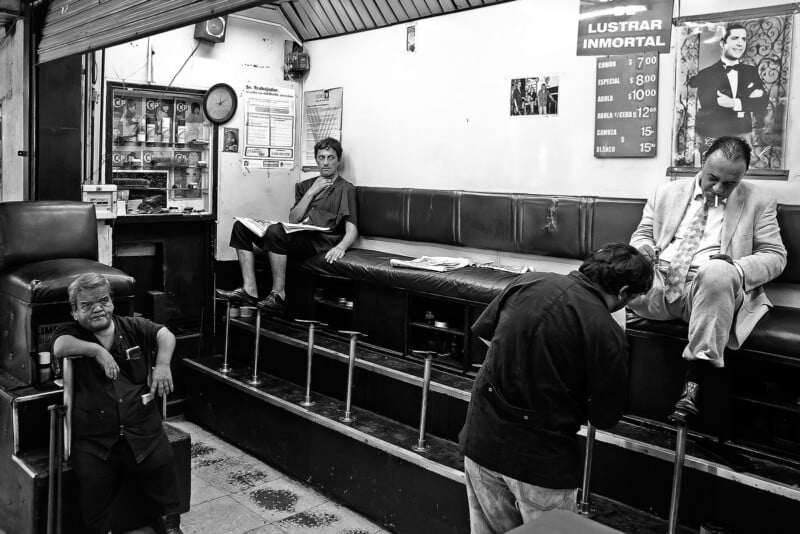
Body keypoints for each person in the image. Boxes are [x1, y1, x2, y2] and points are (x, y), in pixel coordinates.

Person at [459, 244, 654, 533]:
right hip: (540, 466)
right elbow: (605, 416)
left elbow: (488, 338)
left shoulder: (527, 282)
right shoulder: (607, 332)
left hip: (481, 443)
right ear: (624, 292)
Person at [629, 136, 785, 421]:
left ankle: (693, 384)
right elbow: (642, 235)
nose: (718, 188)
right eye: (713, 178)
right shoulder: (665, 193)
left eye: (730, 184)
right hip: (659, 283)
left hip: (709, 290)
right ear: (702, 162)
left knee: (717, 272)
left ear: (742, 177)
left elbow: (775, 255)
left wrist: (736, 269)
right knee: (604, 264)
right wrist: (646, 251)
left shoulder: (759, 201)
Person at [51, 273, 183, 534]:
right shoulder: (71, 333)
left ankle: (171, 523)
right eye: (87, 305)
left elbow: (165, 335)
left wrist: (163, 365)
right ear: (75, 312)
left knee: (163, 467)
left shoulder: (132, 326)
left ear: (112, 303)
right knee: (93, 492)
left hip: (142, 428)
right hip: (95, 439)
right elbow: (59, 346)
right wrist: (97, 351)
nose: (98, 308)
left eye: (103, 300)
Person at [216, 137, 358, 314]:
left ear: (338, 160)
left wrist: (341, 247)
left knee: (276, 232)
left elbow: (352, 229)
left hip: (320, 241)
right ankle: (249, 290)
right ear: (316, 160)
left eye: (331, 157)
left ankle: (278, 295)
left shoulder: (346, 189)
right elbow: (294, 219)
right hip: (299, 236)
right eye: (321, 157)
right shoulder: (306, 185)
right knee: (241, 227)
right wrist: (311, 193)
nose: (326, 162)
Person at [689, 23, 768, 150]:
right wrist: (748, 101)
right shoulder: (706, 74)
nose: (740, 43)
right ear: (723, 43)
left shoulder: (751, 71)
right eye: (735, 38)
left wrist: (733, 103)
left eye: (743, 39)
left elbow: (762, 102)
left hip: (744, 138)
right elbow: (711, 106)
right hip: (716, 139)